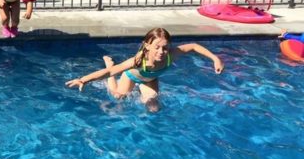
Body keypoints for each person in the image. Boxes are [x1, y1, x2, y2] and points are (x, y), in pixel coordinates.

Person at [65, 27, 224, 112]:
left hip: (150, 78)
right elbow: (111, 72)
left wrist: (215, 58)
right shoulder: (138, 61)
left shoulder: (171, 54)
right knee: (118, 96)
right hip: (132, 76)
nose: (162, 52)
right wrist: (83, 80)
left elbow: (194, 46)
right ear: (147, 46)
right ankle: (108, 63)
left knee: (153, 108)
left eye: (165, 47)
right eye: (157, 47)